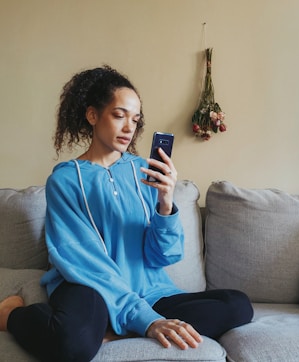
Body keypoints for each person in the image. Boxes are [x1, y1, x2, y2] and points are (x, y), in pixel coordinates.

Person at [0, 65, 253, 362]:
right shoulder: (64, 181)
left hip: (149, 291)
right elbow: (85, 261)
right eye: (119, 115)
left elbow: (164, 257)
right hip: (89, 287)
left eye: (135, 119)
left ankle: (114, 328)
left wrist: (165, 202)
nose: (128, 127)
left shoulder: (142, 172)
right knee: (74, 345)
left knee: (237, 305)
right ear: (92, 115)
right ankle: (11, 314)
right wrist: (146, 320)